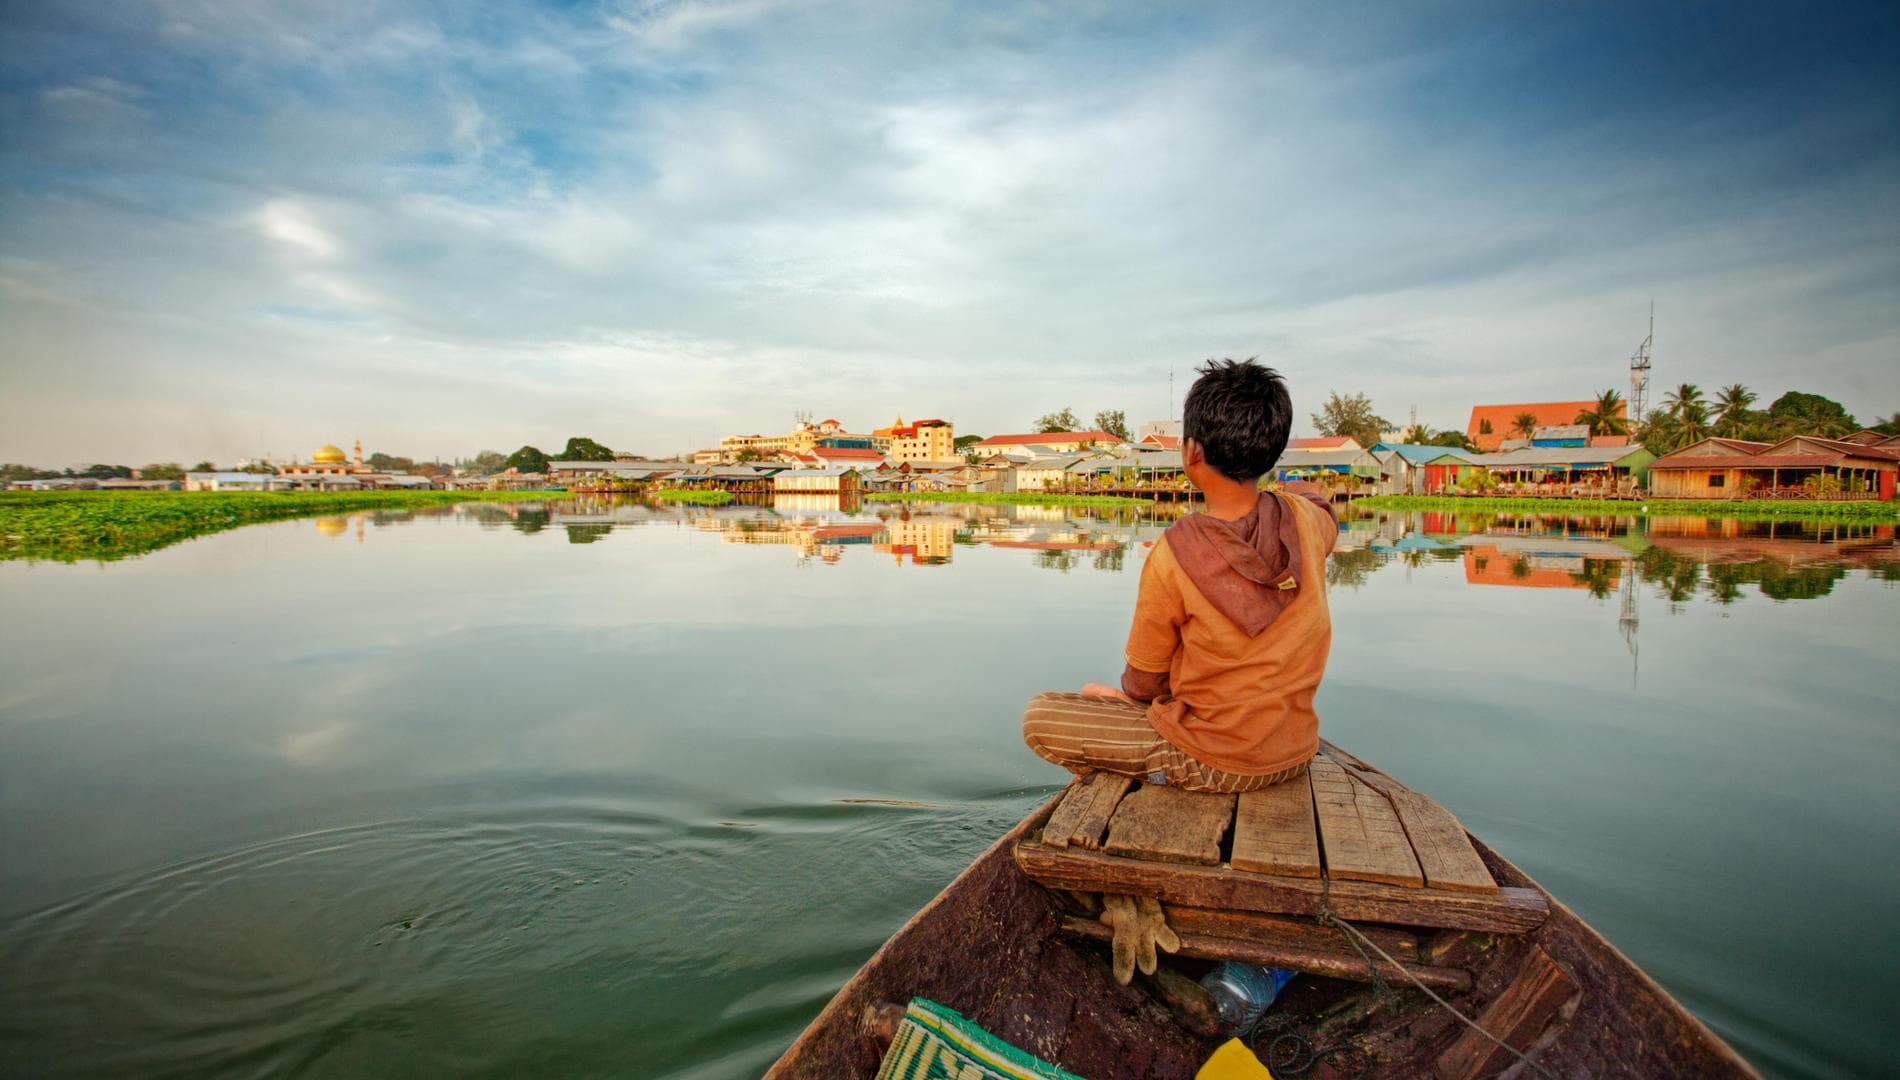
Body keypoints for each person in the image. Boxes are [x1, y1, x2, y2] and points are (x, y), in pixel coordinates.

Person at [1022, 359, 1339, 793]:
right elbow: (1319, 502)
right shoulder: (1308, 521)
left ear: (1191, 452)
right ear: (1273, 451)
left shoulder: (1174, 553)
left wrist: (1129, 705)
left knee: (1041, 716)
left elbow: (1144, 682)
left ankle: (1152, 773)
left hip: (1215, 761)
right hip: (1294, 752)